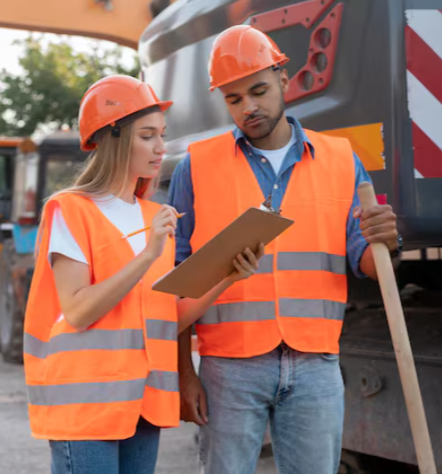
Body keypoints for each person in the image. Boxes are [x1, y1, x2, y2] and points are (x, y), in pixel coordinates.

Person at [168, 24, 401, 474]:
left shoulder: (341, 159)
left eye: (257, 90)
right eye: (234, 100)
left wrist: (386, 240)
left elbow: (367, 261)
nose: (249, 108)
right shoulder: (196, 166)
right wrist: (184, 372)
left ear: (283, 77)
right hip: (228, 368)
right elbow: (176, 278)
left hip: (315, 363)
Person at [23, 75, 265, 474]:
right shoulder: (70, 210)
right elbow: (79, 310)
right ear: (114, 139)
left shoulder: (155, 217)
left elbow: (166, 318)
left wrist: (228, 276)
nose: (160, 148)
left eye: (162, 135)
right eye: (147, 136)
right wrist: (148, 253)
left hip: (144, 401)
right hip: (86, 403)